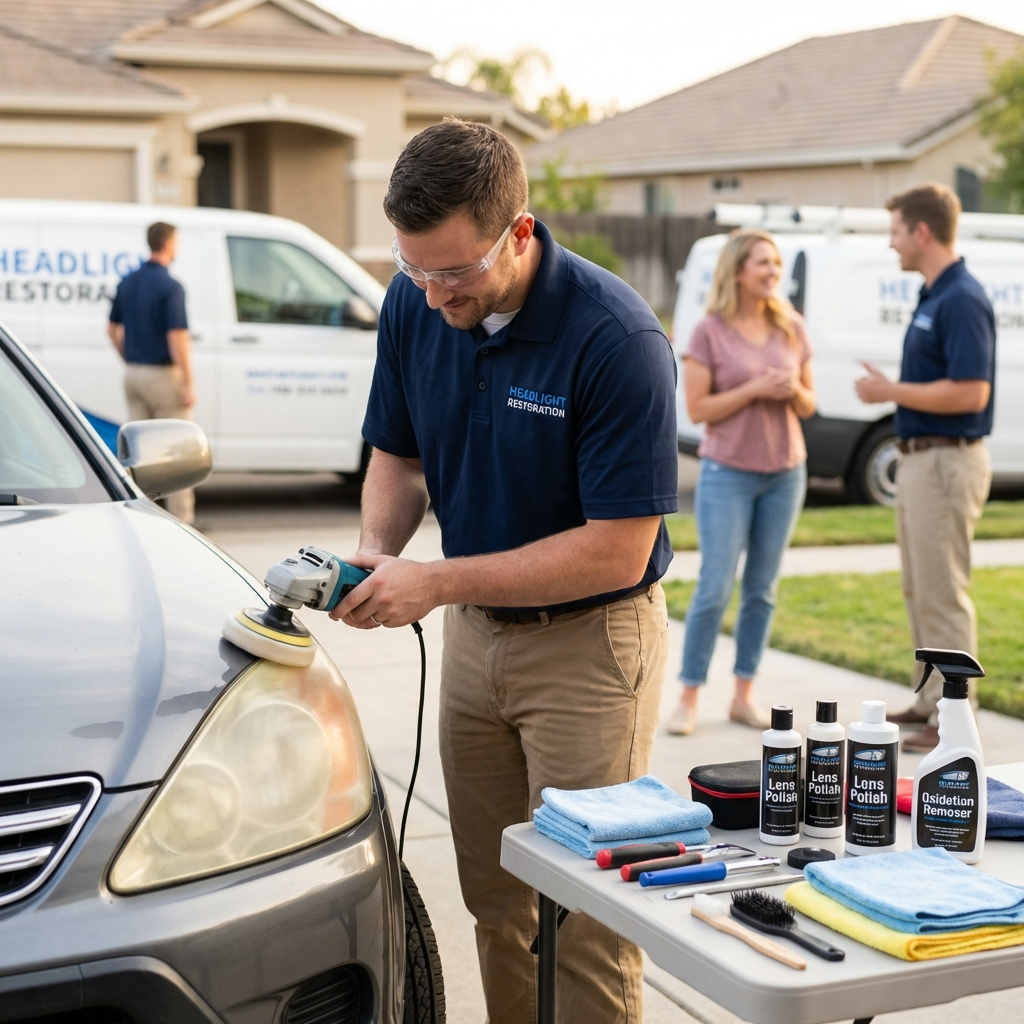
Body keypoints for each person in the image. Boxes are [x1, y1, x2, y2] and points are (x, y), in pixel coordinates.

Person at [329, 119, 678, 1024]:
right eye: (413, 268)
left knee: (585, 917)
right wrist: (380, 554)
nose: (433, 293)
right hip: (476, 642)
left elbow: (618, 546)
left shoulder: (617, 340)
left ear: (519, 232)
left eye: (453, 271)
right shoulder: (414, 303)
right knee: (496, 899)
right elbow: (397, 458)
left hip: (591, 650)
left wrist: (438, 583)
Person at [856, 183, 994, 753]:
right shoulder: (933, 293)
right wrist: (900, 391)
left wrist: (892, 390)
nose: (891, 245)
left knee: (943, 592)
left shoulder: (962, 298)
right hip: (920, 462)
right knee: (919, 588)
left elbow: (970, 392)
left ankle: (955, 719)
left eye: (894, 232)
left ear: (922, 231)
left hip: (946, 461)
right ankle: (930, 699)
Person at [667, 229, 815, 737]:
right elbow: (698, 409)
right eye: (762, 263)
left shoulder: (791, 325)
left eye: (776, 263)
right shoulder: (709, 331)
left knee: (763, 591)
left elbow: (810, 404)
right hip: (728, 472)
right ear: (737, 271)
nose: (773, 272)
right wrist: (755, 387)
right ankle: (688, 695)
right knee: (714, 587)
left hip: (785, 472)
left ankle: (743, 695)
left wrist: (791, 387)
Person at [108, 221, 196, 524]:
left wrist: (128, 358)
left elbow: (111, 329)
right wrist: (188, 382)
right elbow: (177, 338)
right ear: (169, 243)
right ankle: (182, 522)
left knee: (139, 456)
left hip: (133, 375)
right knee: (177, 453)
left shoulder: (128, 281)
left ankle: (142, 520)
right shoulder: (171, 286)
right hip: (161, 376)